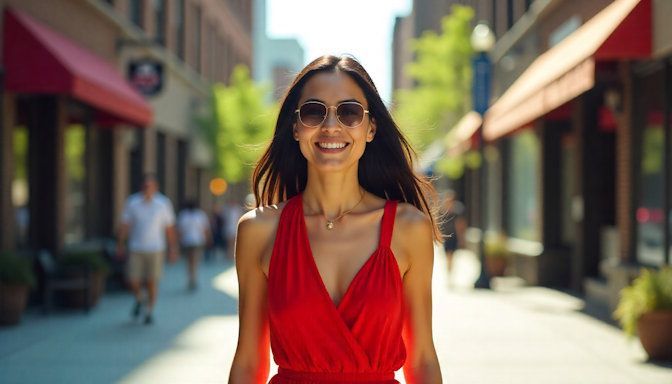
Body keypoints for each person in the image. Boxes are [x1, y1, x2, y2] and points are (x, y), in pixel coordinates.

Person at [229, 55, 442, 383]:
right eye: (314, 111)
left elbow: (423, 359)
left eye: (349, 112)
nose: (331, 126)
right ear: (296, 126)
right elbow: (247, 362)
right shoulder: (258, 230)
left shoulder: (408, 228)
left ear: (370, 128)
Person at [116, 173, 178, 325]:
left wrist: (173, 249)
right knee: (132, 280)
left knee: (151, 281)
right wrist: (120, 244)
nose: (147, 189)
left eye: (150, 186)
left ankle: (149, 311)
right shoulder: (132, 202)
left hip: (156, 249)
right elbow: (125, 225)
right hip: (136, 247)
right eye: (145, 186)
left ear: (156, 187)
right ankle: (139, 298)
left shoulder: (163, 203)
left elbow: (169, 228)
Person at [177, 200, 211, 290]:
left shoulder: (197, 215)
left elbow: (205, 229)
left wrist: (207, 238)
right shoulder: (188, 215)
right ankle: (192, 278)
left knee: (193, 261)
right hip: (189, 242)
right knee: (191, 261)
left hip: (196, 242)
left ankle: (192, 278)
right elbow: (205, 229)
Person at [440, 189, 466, 283]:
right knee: (447, 256)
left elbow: (460, 224)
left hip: (453, 236)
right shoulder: (442, 211)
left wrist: (461, 238)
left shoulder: (457, 211)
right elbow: (439, 225)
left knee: (452, 256)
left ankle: (450, 274)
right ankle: (448, 273)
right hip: (446, 237)